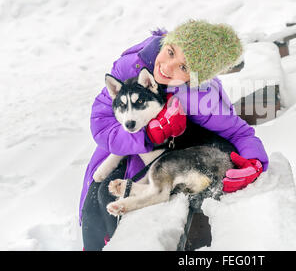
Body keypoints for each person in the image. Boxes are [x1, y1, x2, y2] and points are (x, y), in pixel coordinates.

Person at [79, 19, 269, 251]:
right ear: (166, 43)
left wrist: (254, 161)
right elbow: (101, 122)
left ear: (194, 78)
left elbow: (238, 131)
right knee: (91, 207)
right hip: (119, 146)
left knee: (109, 196)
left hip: (168, 158)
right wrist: (147, 136)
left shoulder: (200, 98)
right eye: (170, 52)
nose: (168, 67)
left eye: (184, 67)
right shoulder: (132, 66)